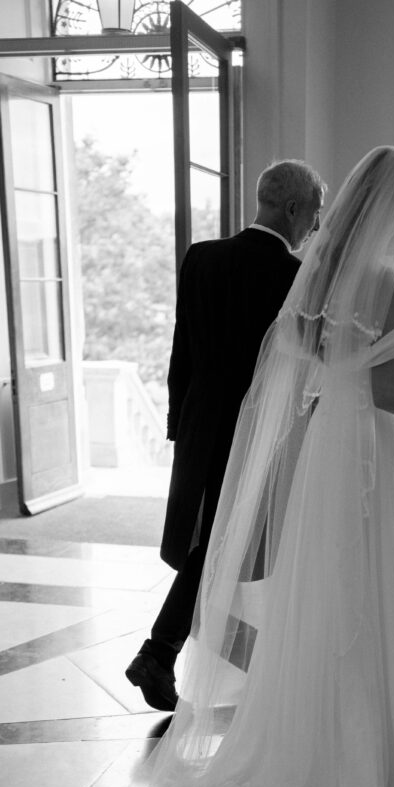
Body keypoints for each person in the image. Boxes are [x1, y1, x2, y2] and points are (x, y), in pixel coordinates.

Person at [85, 146, 394, 787]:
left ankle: (289, 737)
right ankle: (371, 772)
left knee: (317, 592)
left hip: (309, 441)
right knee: (376, 594)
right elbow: (386, 391)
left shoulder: (309, 273)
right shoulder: (386, 281)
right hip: (369, 448)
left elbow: (288, 366)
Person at [126, 160, 325, 712]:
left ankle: (175, 651)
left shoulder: (201, 257)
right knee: (222, 545)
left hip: (199, 422)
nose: (315, 226)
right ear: (293, 209)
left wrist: (177, 424)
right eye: (314, 214)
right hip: (255, 431)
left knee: (211, 542)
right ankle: (166, 652)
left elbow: (182, 349)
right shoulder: (297, 276)